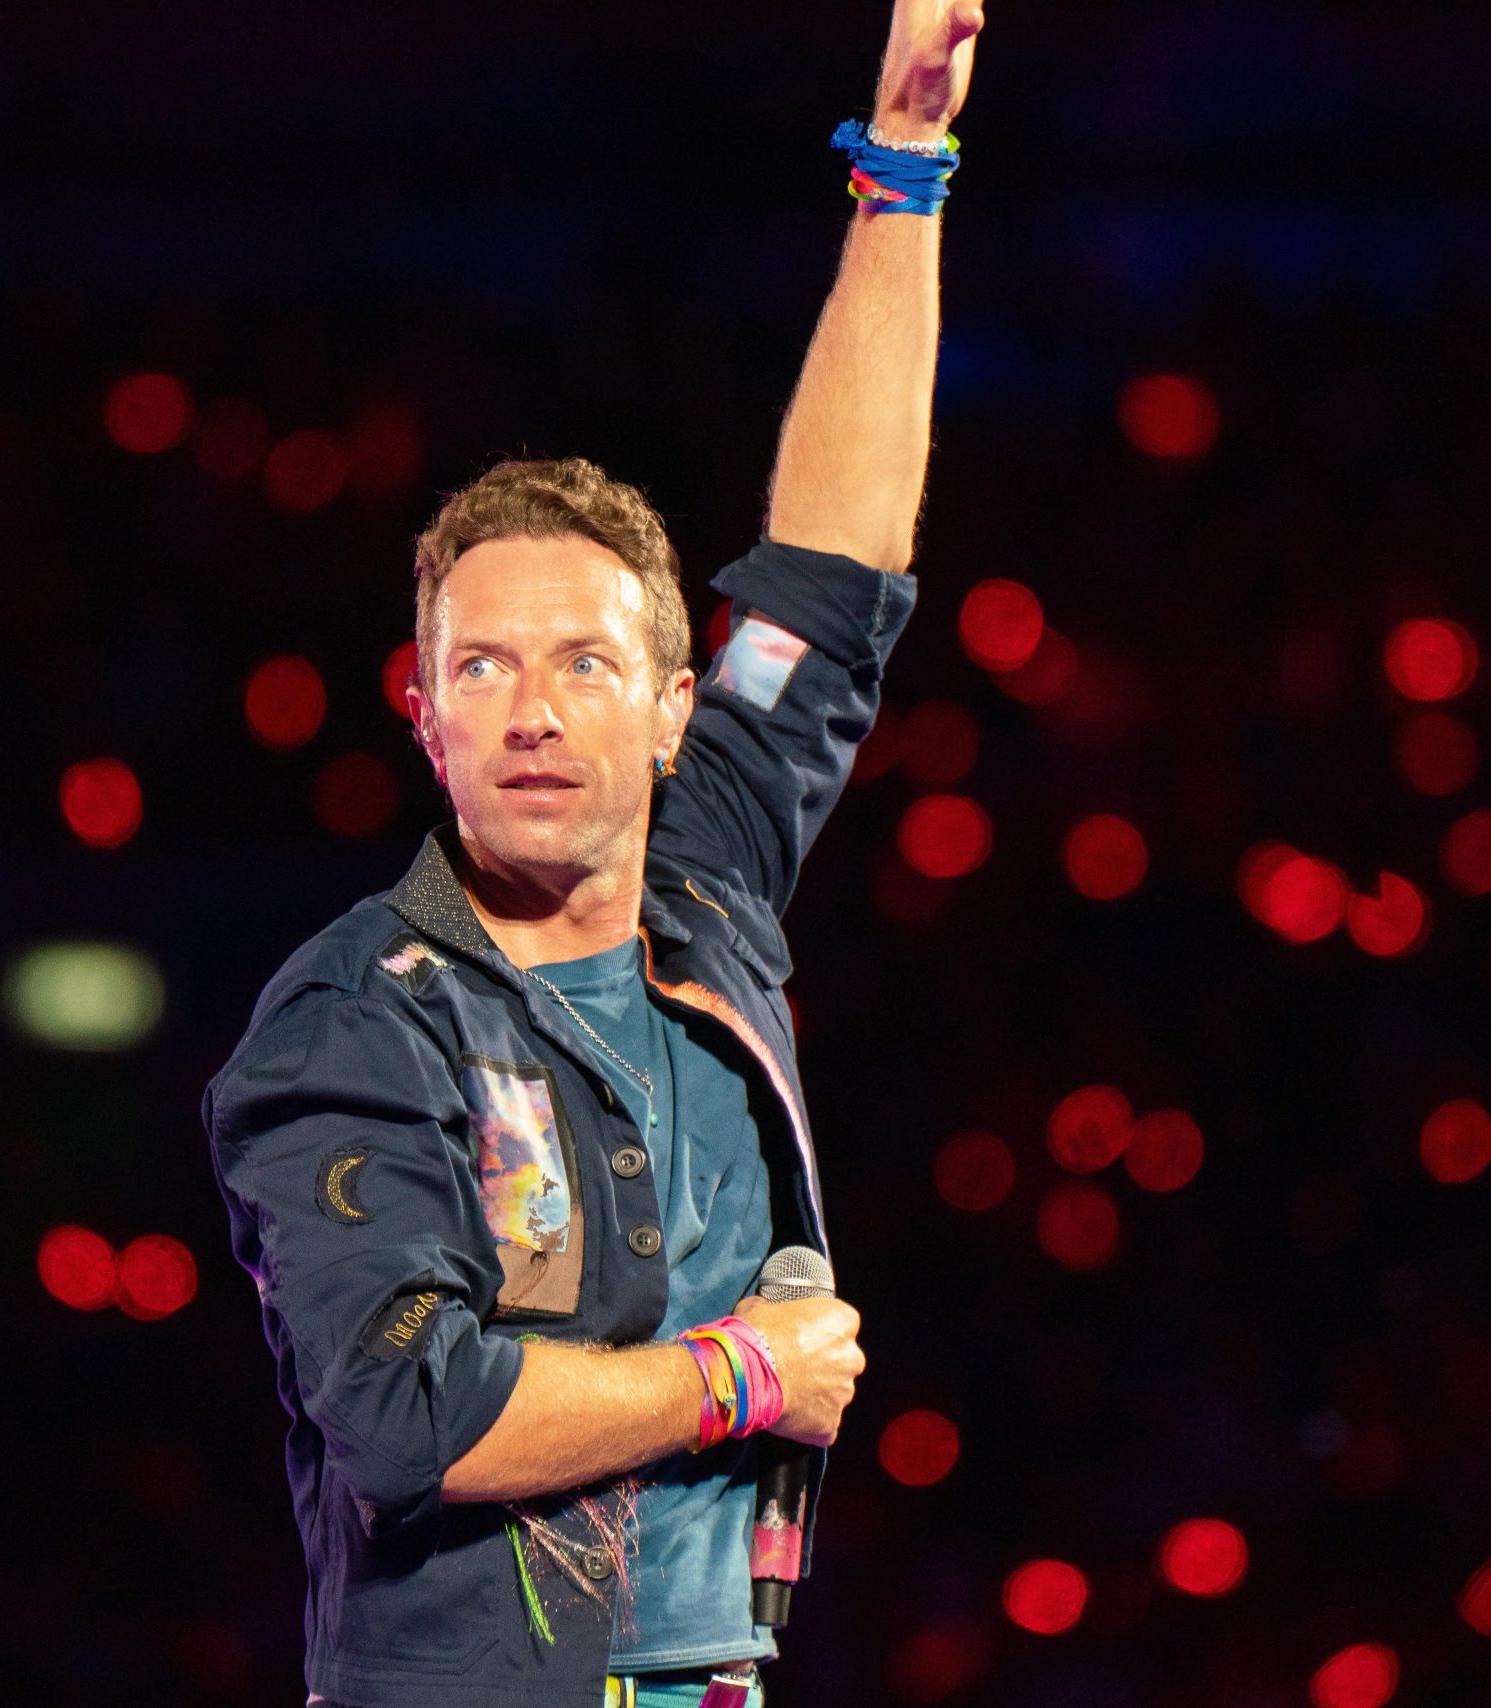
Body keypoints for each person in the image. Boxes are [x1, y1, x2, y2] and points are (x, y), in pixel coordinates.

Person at [200, 3, 985, 1702]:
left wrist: (906, 170)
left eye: (582, 665)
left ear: (672, 709)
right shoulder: (352, 1021)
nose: (533, 714)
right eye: (482, 668)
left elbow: (836, 570)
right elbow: (413, 1413)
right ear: (424, 715)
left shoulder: (707, 883)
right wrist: (745, 1377)